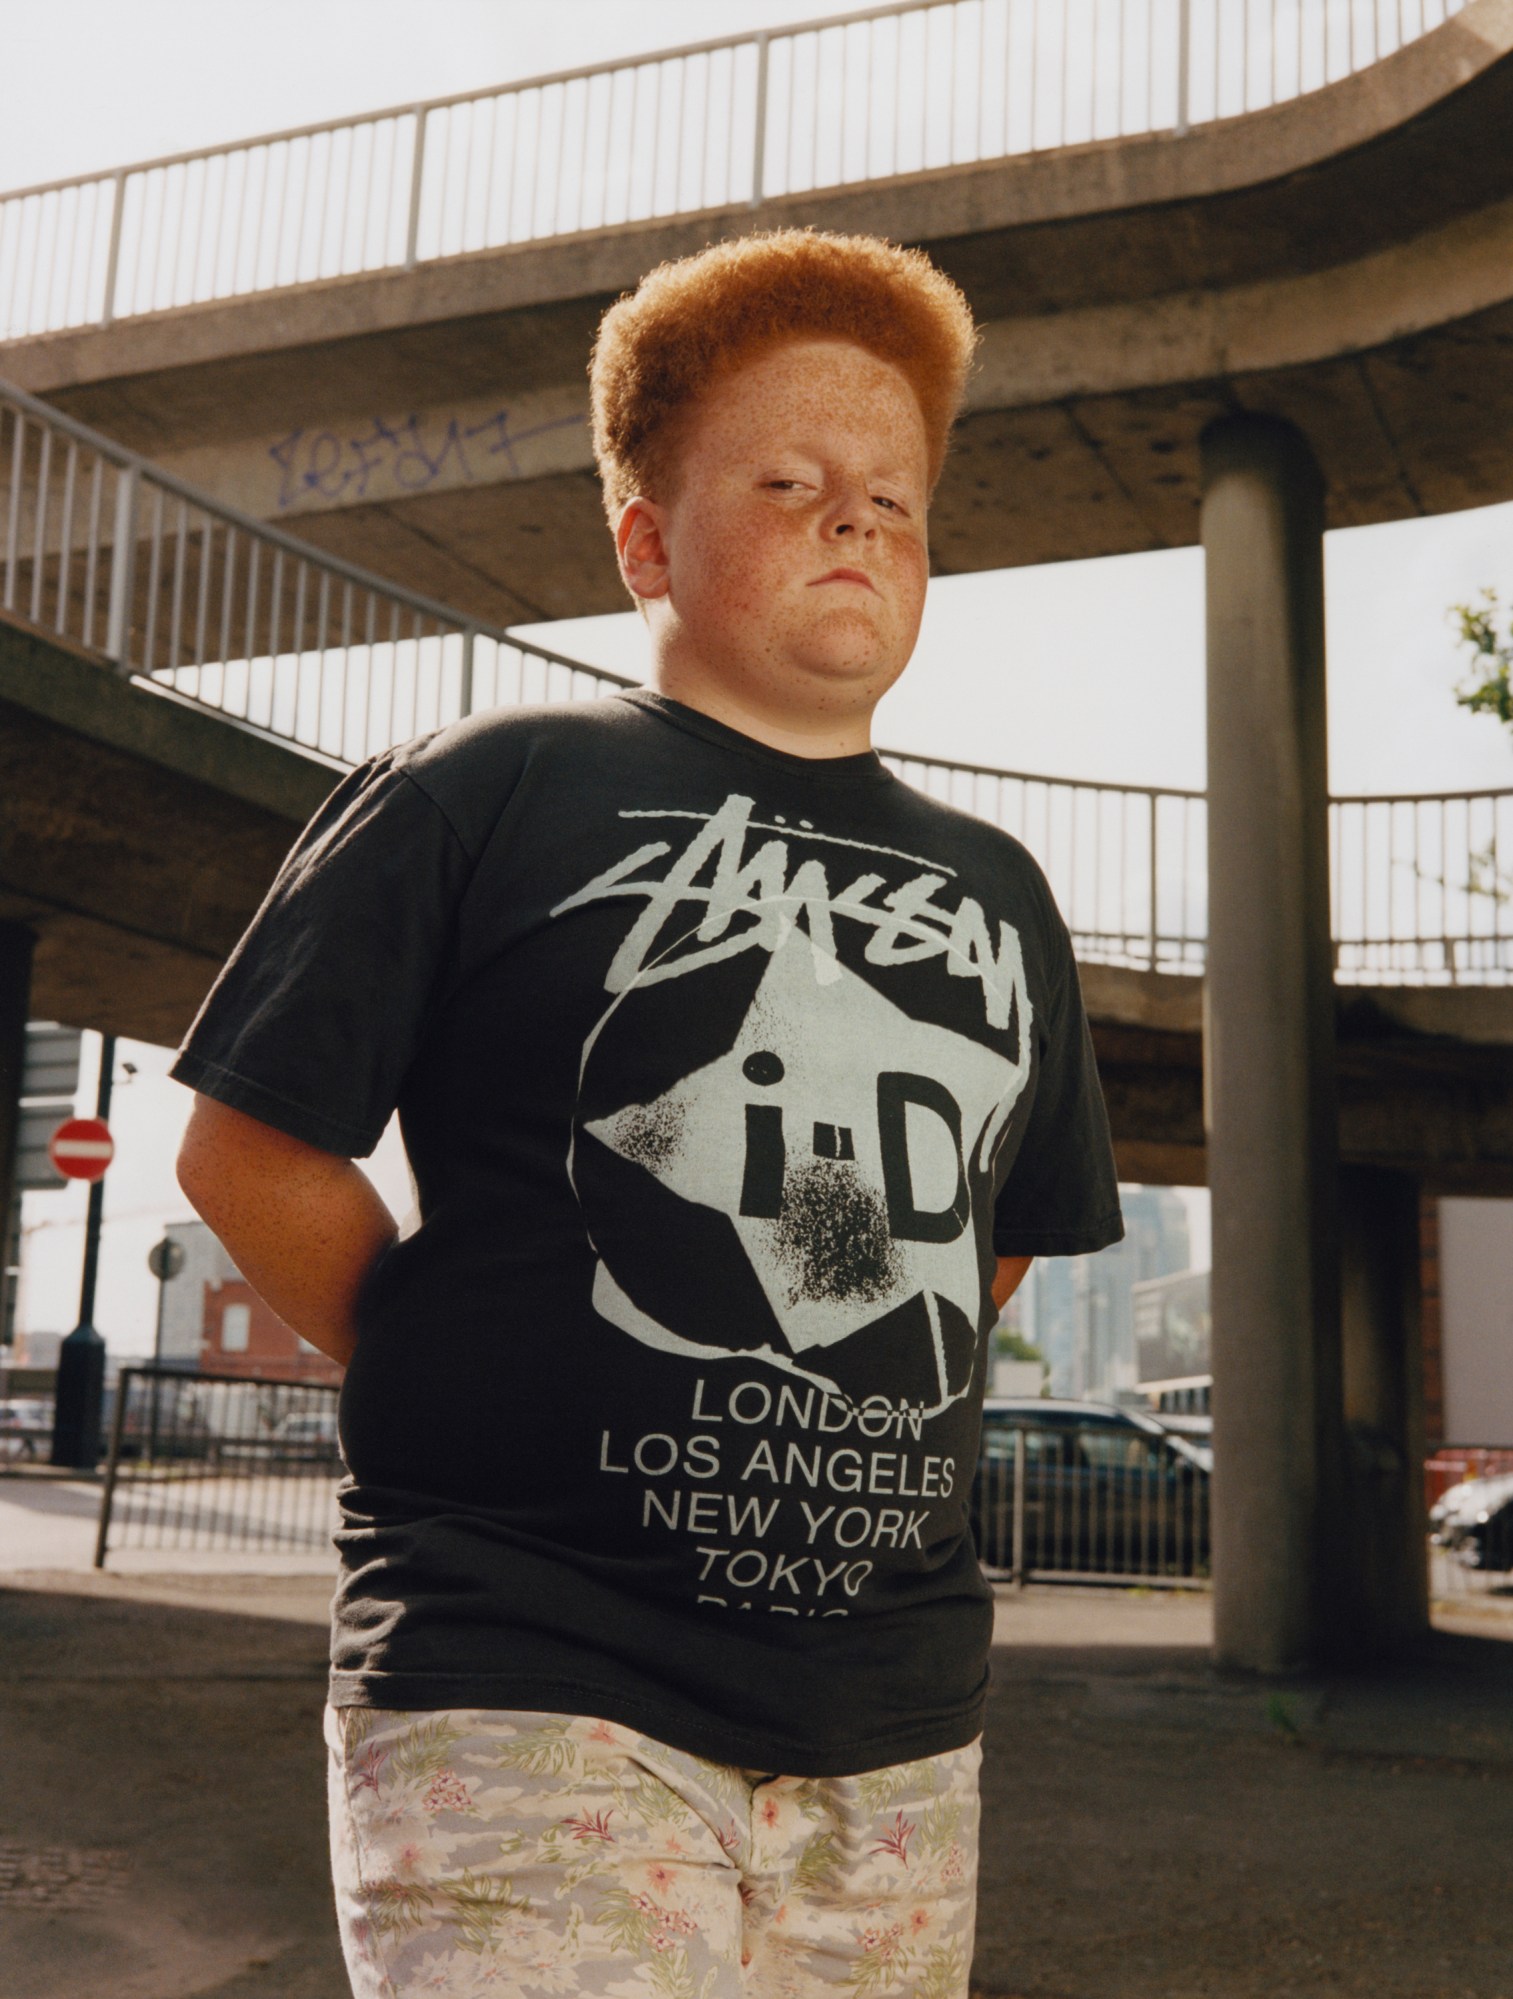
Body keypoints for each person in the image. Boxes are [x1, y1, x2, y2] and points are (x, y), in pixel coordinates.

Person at [172, 228, 1123, 1998]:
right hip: (527, 1675)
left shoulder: (1001, 893)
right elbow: (247, 1144)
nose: (854, 519)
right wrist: (454, 1347)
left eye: (893, 499)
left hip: (896, 1722)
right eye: (787, 480)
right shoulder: (489, 786)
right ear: (643, 539)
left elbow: (986, 1247)